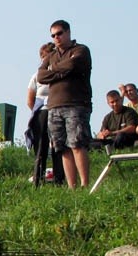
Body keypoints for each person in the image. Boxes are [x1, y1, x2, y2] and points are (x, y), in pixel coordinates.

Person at [37, 20, 93, 189]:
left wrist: (53, 71)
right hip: (54, 106)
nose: (56, 37)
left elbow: (73, 64)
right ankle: (72, 186)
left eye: (59, 33)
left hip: (76, 104)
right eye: (53, 35)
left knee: (77, 144)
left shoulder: (80, 50)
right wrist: (61, 71)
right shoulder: (50, 56)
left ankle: (84, 184)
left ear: (68, 32)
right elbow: (41, 76)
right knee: (62, 148)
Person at [26, 43, 64, 186]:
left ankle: (59, 179)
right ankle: (38, 178)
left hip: (57, 111)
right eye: (43, 56)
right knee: (41, 146)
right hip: (42, 112)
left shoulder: (59, 73)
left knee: (57, 145)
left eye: (48, 54)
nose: (45, 58)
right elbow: (30, 99)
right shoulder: (36, 76)